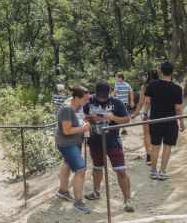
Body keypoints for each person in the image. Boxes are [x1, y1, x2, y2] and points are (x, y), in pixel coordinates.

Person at [84, 81, 134, 213]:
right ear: (96, 93)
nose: (101, 100)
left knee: (121, 170)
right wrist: (91, 118)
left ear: (109, 93)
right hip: (95, 140)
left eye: (104, 98)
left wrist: (113, 117)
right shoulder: (89, 101)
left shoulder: (116, 102)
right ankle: (96, 192)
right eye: (99, 97)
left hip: (113, 140)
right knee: (97, 168)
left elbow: (127, 119)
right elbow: (82, 117)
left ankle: (127, 200)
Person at [143, 61, 184, 181]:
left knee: (155, 146)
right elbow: (178, 108)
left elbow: (147, 102)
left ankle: (153, 171)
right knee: (167, 146)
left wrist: (145, 114)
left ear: (160, 71)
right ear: (172, 72)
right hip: (171, 122)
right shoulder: (177, 89)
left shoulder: (152, 85)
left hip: (155, 119)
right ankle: (163, 172)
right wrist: (181, 122)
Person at [56, 86, 92, 214]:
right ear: (76, 98)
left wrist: (84, 123)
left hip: (75, 141)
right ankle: (78, 202)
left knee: (67, 163)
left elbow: (79, 120)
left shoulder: (77, 105)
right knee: (81, 169)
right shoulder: (67, 109)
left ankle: (63, 191)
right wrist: (84, 128)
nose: (87, 102)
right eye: (85, 99)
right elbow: (66, 131)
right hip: (67, 143)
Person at [131, 70, 159, 165]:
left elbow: (141, 102)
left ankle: (149, 155)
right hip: (159, 113)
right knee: (156, 135)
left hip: (147, 113)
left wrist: (135, 114)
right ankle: (155, 154)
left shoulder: (145, 87)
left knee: (147, 135)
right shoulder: (161, 85)